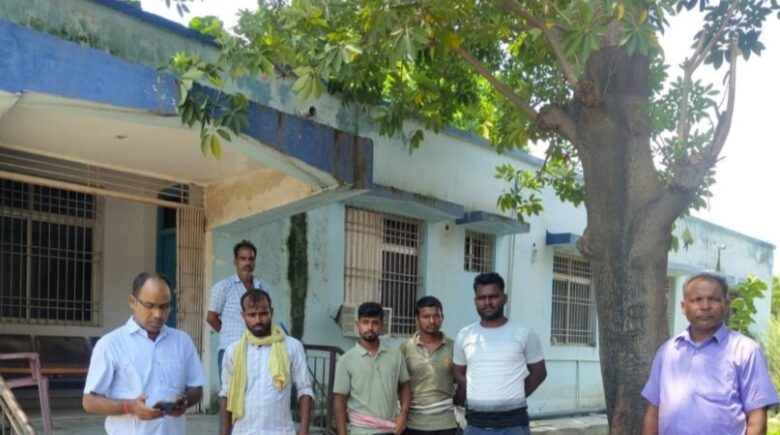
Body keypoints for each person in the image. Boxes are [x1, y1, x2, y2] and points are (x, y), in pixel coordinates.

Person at [641, 272, 779, 435]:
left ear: (726, 305)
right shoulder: (668, 352)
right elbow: (653, 412)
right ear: (683, 307)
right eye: (697, 299)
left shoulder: (746, 351)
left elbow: (756, 417)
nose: (705, 306)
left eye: (713, 299)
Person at [83, 272, 205, 435]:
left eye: (164, 306)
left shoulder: (182, 341)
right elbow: (89, 401)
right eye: (149, 306)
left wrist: (184, 400)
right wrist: (129, 406)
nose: (158, 314)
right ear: (132, 302)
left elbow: (196, 388)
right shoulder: (111, 344)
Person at [453, 272, 547, 435]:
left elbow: (539, 373)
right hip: (476, 425)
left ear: (504, 298)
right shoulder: (465, 335)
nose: (487, 302)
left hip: (514, 425)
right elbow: (458, 372)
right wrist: (478, 391)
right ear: (475, 301)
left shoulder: (523, 332)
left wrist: (515, 394)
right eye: (482, 298)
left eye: (493, 296)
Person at [219, 289, 313, 435]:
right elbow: (226, 394)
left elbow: (304, 390)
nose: (258, 320)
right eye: (252, 315)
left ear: (271, 312)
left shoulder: (292, 347)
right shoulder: (233, 351)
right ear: (243, 316)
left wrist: (304, 432)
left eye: (263, 314)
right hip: (243, 431)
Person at [333, 302, 411, 435]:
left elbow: (405, 386)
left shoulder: (395, 355)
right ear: (358, 325)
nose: (370, 327)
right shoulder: (346, 360)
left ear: (381, 326)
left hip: (392, 430)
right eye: (365, 322)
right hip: (361, 431)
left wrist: (403, 414)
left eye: (375, 323)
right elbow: (339, 401)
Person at [207, 240, 271, 378]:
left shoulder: (263, 286)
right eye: (243, 259)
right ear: (235, 261)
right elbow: (211, 318)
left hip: (257, 351)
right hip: (230, 351)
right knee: (230, 390)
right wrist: (228, 333)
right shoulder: (223, 287)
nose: (247, 263)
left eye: (251, 259)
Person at [400, 296, 459, 435]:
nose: (432, 321)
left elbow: (462, 380)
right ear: (417, 319)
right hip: (414, 424)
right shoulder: (405, 348)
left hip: (446, 424)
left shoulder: (454, 347)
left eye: (436, 316)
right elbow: (399, 386)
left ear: (442, 318)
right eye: (426, 316)